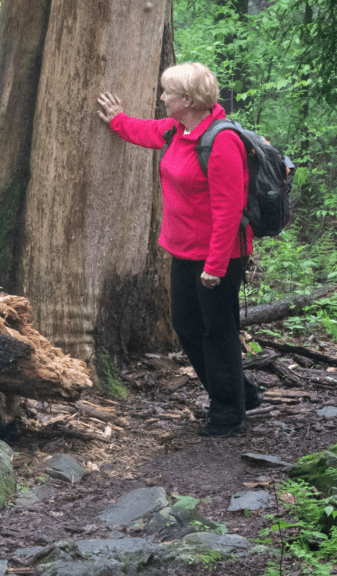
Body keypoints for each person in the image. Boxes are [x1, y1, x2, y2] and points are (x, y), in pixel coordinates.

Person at [97, 62, 261, 438]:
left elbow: (228, 211)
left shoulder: (222, 142)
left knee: (217, 331)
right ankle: (241, 394)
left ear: (186, 99)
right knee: (186, 325)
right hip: (184, 251)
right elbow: (148, 131)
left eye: (166, 92)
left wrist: (216, 266)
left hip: (218, 257)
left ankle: (227, 415)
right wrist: (117, 119)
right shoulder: (179, 129)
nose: (161, 97)